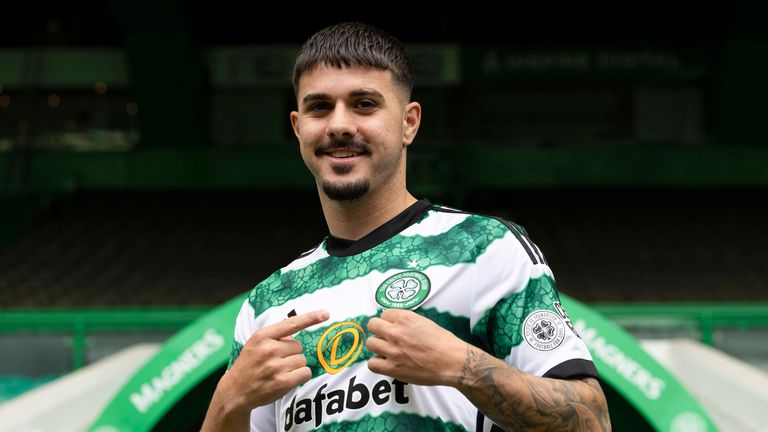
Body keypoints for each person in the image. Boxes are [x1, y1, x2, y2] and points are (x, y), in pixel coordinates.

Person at [202, 22, 610, 431]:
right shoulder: (265, 304)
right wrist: (226, 401)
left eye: (364, 104)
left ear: (408, 123)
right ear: (298, 128)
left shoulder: (483, 248)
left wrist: (462, 366)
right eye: (319, 107)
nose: (339, 125)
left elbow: (593, 421)